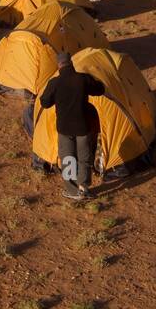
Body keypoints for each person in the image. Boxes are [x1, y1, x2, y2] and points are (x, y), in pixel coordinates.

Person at [37, 52, 106, 200]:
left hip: (65, 128)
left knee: (68, 158)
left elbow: (45, 102)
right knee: (84, 157)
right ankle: (84, 187)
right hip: (83, 126)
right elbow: (100, 89)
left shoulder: (54, 82)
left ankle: (72, 191)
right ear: (71, 63)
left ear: (59, 65)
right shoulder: (82, 79)